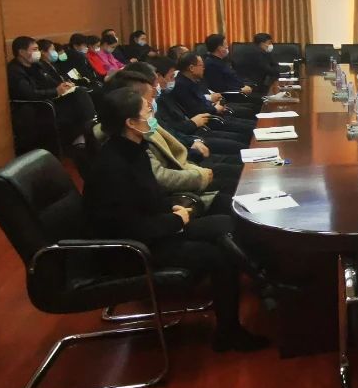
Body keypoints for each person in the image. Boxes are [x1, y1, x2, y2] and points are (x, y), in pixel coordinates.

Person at [83, 88, 267, 352]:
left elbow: (149, 198)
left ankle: (267, 281)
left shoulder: (134, 149)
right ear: (131, 122)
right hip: (133, 249)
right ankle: (229, 332)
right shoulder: (112, 167)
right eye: (147, 110)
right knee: (218, 255)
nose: (152, 114)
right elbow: (128, 225)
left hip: (155, 229)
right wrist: (175, 221)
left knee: (227, 222)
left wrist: (173, 208)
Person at [100, 68, 242, 211]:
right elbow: (160, 182)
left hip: (187, 168)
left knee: (235, 170)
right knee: (233, 188)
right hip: (180, 193)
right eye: (148, 102)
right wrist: (199, 176)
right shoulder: (132, 143)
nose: (152, 105)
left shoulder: (140, 132)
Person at [6, 35, 96, 146]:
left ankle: (87, 130)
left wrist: (63, 85)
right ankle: (86, 133)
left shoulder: (37, 65)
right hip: (39, 105)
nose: (37, 52)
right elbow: (30, 93)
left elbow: (49, 81)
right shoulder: (15, 70)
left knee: (79, 92)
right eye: (34, 49)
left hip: (50, 98)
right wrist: (55, 91)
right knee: (77, 101)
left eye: (37, 49)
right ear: (21, 52)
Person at [150, 56, 249, 153]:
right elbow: (173, 130)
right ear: (158, 77)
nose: (173, 81)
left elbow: (199, 102)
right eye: (171, 77)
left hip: (199, 129)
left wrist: (213, 105)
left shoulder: (166, 94)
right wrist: (196, 122)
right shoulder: (166, 96)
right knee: (240, 145)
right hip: (193, 136)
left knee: (244, 134)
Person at [171, 51, 256, 134]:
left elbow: (202, 100)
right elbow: (195, 110)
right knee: (251, 129)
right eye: (201, 65)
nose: (204, 68)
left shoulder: (191, 80)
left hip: (214, 114)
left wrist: (215, 104)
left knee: (254, 124)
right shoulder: (181, 86)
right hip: (208, 122)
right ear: (191, 68)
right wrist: (215, 108)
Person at [202, 34, 261, 111]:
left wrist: (245, 85)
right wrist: (240, 89)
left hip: (239, 91)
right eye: (225, 44)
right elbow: (219, 87)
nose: (227, 47)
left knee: (263, 97)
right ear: (219, 48)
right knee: (260, 102)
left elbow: (234, 77)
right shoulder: (211, 64)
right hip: (232, 96)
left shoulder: (222, 60)